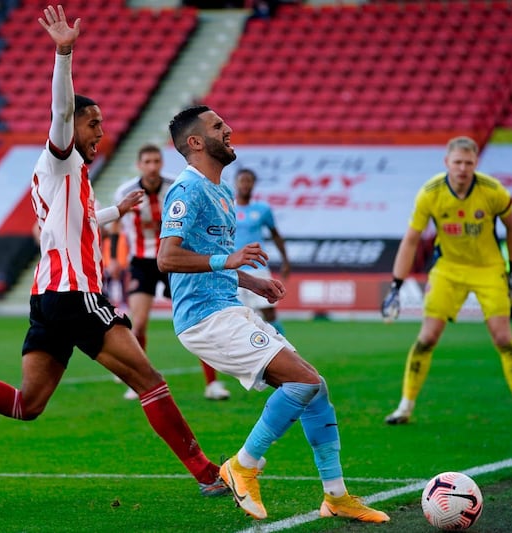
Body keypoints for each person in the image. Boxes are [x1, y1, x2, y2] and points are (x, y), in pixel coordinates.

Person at [0, 5, 229, 498]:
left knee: (30, 403)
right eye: (95, 123)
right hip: (75, 292)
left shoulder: (69, 181)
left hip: (47, 298)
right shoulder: (60, 158)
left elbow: (76, 225)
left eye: (102, 124)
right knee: (149, 380)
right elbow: (62, 112)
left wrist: (115, 209)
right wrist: (64, 54)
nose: (100, 132)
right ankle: (207, 473)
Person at [157, 104, 389, 523]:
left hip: (228, 306)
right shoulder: (186, 189)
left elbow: (215, 259)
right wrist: (229, 263)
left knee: (316, 386)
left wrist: (250, 281)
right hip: (204, 319)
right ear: (194, 142)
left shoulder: (221, 191)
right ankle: (242, 465)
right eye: (217, 126)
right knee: (301, 381)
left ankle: (336, 497)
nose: (228, 129)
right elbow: (167, 258)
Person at [381, 136, 512, 429]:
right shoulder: (430, 193)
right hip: (449, 269)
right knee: (427, 337)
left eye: (468, 163)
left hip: (488, 268)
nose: (463, 168)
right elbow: (411, 240)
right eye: (457, 162)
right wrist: (396, 285)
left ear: (476, 164)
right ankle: (405, 406)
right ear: (447, 163)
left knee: (503, 338)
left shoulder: (493, 191)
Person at [110, 144, 230, 401]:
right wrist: (112, 257)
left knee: (196, 320)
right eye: (148, 162)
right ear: (139, 165)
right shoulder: (125, 191)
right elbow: (116, 227)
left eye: (156, 161)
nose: (153, 166)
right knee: (138, 323)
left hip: (174, 260)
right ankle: (137, 383)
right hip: (141, 262)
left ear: (161, 163)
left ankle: (212, 384)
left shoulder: (176, 187)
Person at [233, 168, 290, 335]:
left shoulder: (263, 209)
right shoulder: (228, 208)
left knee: (269, 310)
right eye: (242, 180)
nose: (245, 184)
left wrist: (286, 260)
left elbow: (276, 235)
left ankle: (284, 347)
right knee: (241, 315)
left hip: (258, 267)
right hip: (235, 269)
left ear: (253, 184)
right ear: (236, 183)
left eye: (248, 181)